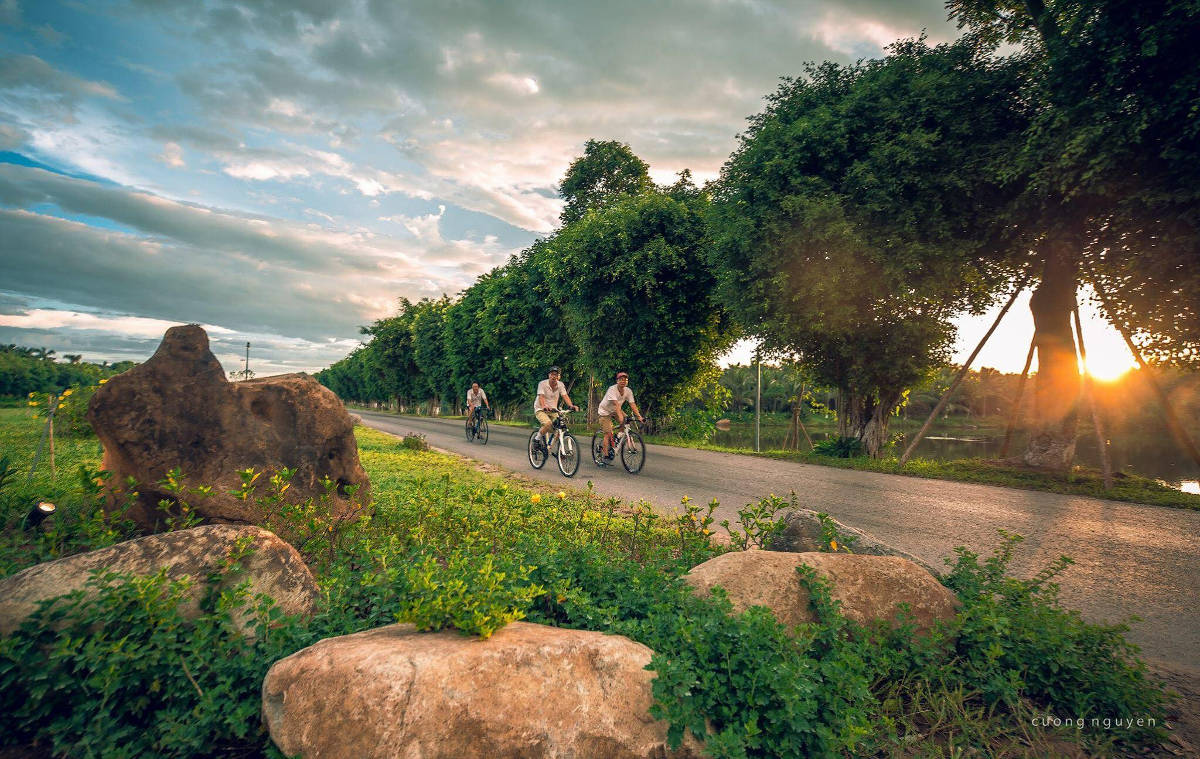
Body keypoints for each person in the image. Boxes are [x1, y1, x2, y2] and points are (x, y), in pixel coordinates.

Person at [597, 370, 643, 463]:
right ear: (617, 381)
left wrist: (639, 417)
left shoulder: (628, 391)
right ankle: (605, 455)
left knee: (626, 421)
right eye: (621, 379)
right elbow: (616, 404)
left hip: (615, 410)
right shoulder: (612, 389)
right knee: (608, 433)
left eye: (625, 380)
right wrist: (621, 418)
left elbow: (632, 404)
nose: (623, 381)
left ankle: (618, 437)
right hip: (605, 411)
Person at [533, 366, 578, 449]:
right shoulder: (542, 384)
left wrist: (571, 406)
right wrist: (544, 406)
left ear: (559, 377)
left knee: (559, 428)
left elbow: (565, 396)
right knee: (548, 424)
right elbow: (541, 397)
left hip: (553, 410)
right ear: (549, 375)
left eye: (556, 375)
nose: (554, 376)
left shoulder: (560, 385)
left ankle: (550, 447)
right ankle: (537, 439)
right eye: (552, 374)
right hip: (541, 409)